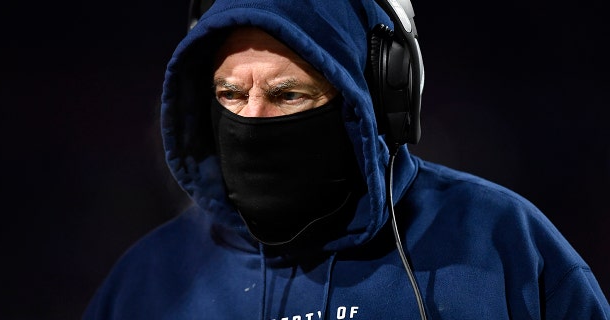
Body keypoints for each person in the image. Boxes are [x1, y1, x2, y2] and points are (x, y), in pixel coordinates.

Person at [83, 0, 610, 319]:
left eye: (289, 96)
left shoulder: (504, 248)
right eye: (230, 95)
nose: (253, 119)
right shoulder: (149, 281)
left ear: (378, 97)